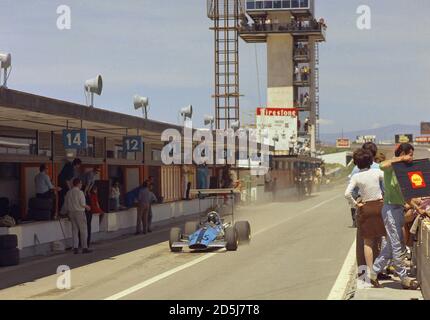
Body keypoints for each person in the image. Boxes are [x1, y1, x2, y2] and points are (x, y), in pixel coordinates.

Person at [371, 143, 420, 290]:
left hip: (398, 209)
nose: (411, 157)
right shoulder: (391, 167)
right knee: (397, 244)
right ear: (403, 153)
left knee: (392, 245)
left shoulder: (403, 172)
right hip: (390, 209)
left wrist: (417, 207)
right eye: (410, 154)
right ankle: (404, 278)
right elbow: (382, 165)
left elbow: (405, 195)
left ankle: (373, 273)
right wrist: (400, 159)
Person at [345, 149, 386, 288]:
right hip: (380, 206)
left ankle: (369, 273)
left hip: (366, 208)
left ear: (356, 163)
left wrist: (356, 203)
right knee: (382, 239)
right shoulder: (377, 172)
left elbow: (347, 194)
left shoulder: (356, 176)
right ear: (371, 161)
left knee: (367, 242)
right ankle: (380, 268)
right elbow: (387, 182)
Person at [64, 178, 91, 254]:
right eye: (81, 183)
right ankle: (84, 247)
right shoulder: (80, 192)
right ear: (78, 183)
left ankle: (75, 247)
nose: (81, 185)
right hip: (79, 212)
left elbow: (66, 204)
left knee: (74, 230)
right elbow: (82, 204)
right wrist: (87, 207)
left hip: (71, 212)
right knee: (83, 230)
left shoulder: (68, 192)